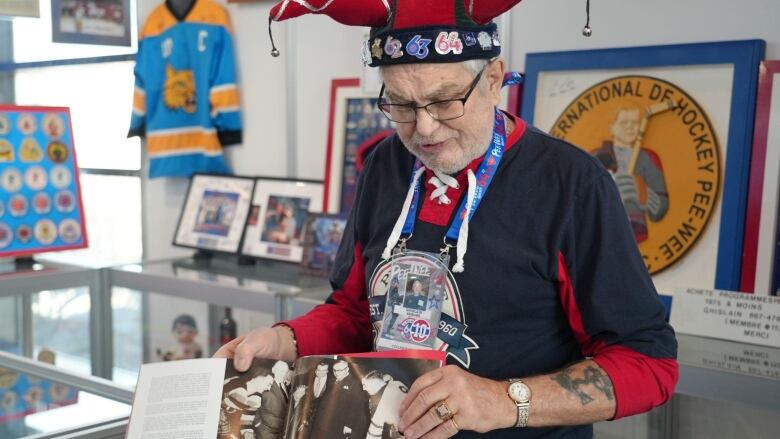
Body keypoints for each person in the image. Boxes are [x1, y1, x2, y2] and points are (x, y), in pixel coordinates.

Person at [216, 1, 678, 438]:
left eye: (444, 101)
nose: (425, 129)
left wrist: (501, 400)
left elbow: (650, 363)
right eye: (401, 104)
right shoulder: (383, 165)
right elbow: (357, 312)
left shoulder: (571, 184)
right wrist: (285, 341)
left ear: (494, 79)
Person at [591, 106, 669, 242]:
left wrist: (645, 195)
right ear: (612, 127)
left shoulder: (648, 158)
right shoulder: (595, 157)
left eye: (634, 122)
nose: (630, 127)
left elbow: (661, 207)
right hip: (602, 232)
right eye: (624, 122)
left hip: (636, 232)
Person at [309, 360, 371, 438]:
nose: (336, 373)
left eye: (339, 370)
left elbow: (356, 406)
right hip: (321, 421)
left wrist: (349, 425)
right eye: (334, 370)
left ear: (347, 369)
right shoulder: (331, 381)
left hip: (337, 424)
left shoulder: (355, 384)